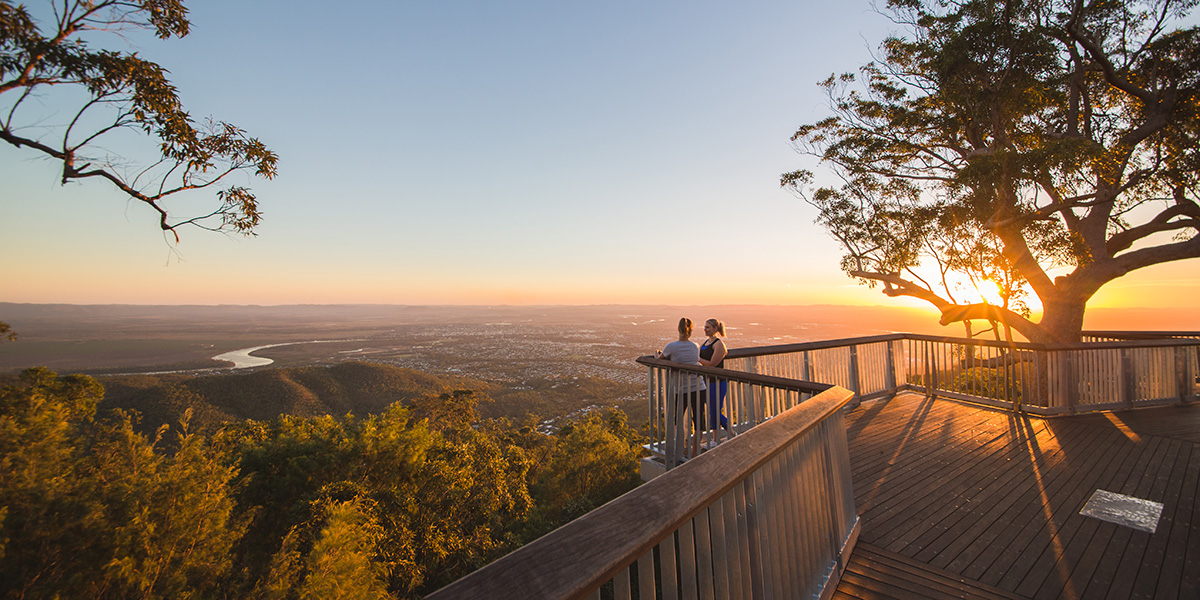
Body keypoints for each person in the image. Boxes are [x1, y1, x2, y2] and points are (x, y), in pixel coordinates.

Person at [655, 317, 706, 459]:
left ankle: (681, 450)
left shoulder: (671, 346)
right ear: (691, 331)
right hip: (699, 387)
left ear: (678, 329)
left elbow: (659, 360)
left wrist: (657, 355)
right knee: (698, 421)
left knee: (678, 420)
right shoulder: (695, 346)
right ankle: (695, 453)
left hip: (681, 388)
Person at [698, 318, 730, 440]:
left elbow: (712, 364)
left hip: (717, 382)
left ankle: (732, 433)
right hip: (707, 381)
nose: (705, 329)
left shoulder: (719, 344)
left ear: (715, 329)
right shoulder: (706, 343)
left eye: (708, 327)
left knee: (715, 411)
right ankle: (716, 439)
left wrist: (698, 359)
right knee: (712, 411)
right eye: (705, 327)